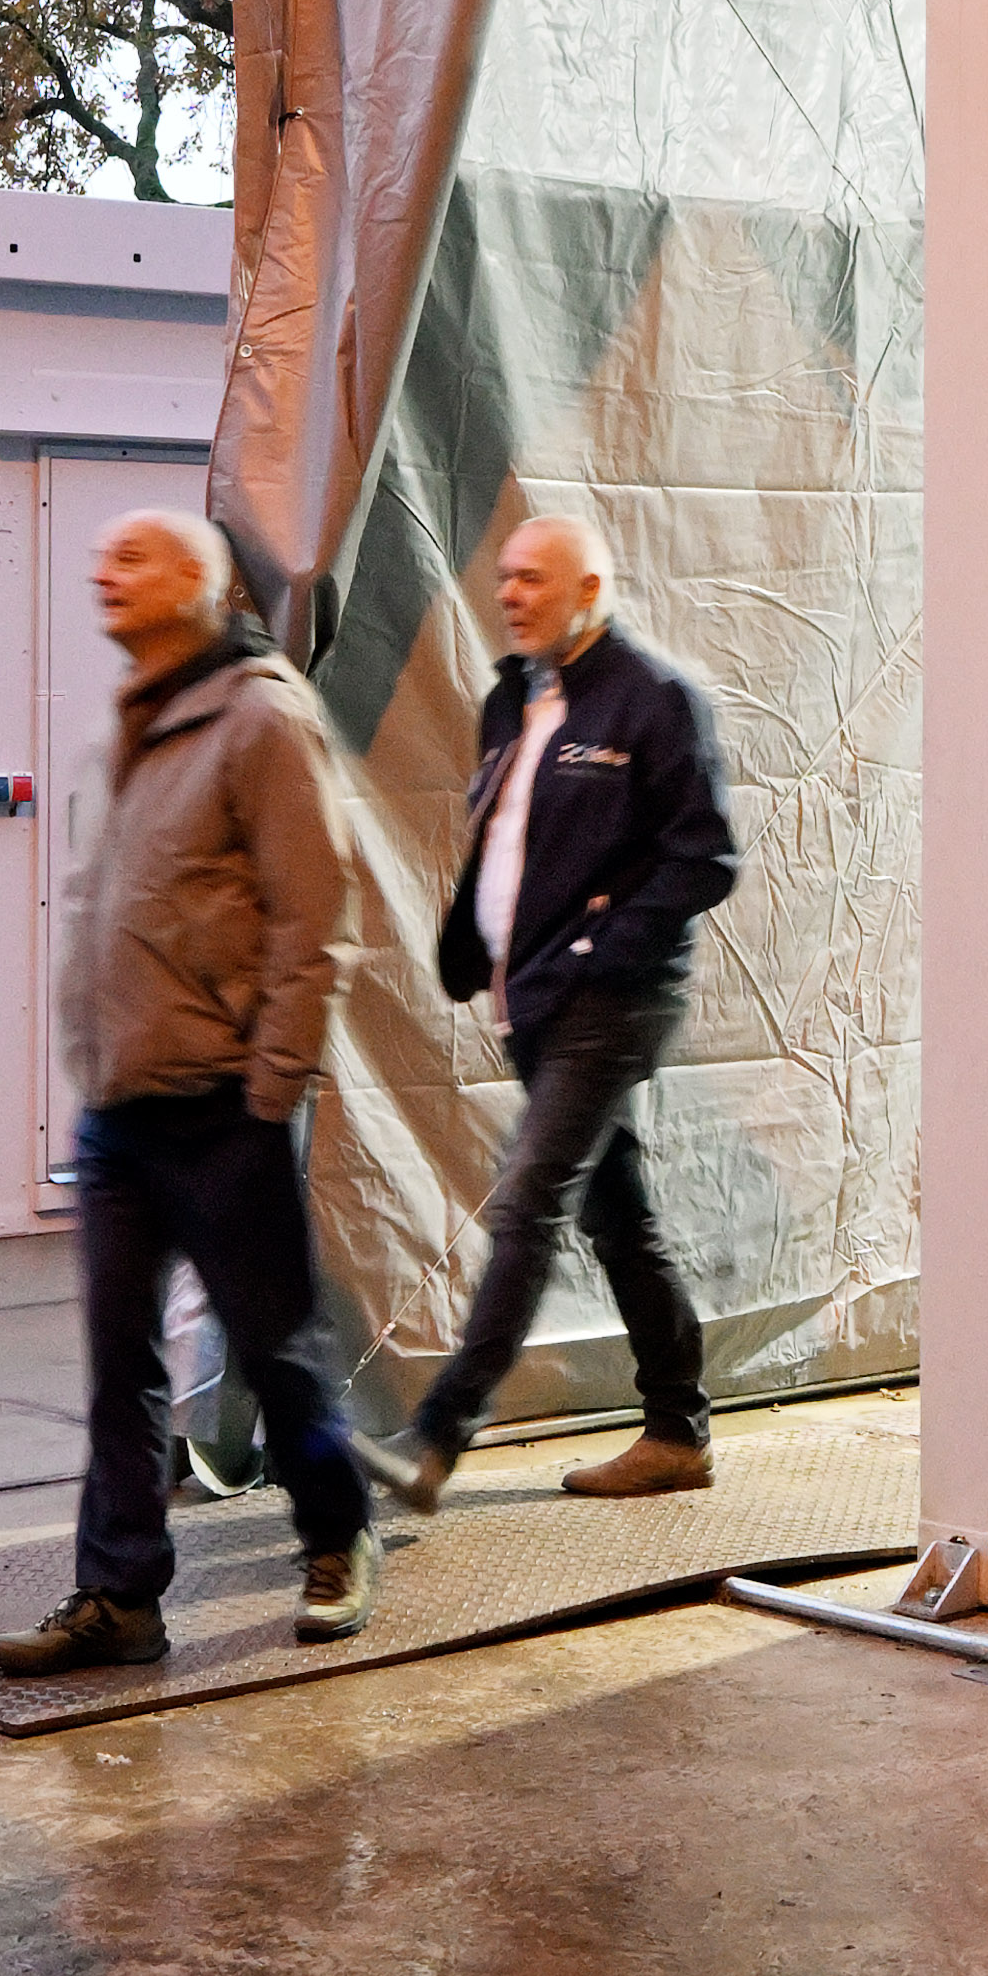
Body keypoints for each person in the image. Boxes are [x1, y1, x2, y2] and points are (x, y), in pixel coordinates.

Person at [0, 507, 375, 1673]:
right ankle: (119, 1596)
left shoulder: (261, 716)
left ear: (201, 588)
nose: (106, 569)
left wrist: (270, 1090)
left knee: (275, 1348)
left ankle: (338, 1534)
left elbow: (319, 920)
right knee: (120, 1363)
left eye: (136, 555)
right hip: (124, 1108)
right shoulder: (134, 717)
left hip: (222, 1103)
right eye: (104, 554)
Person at [375, 510, 741, 1511]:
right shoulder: (514, 700)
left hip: (611, 1000)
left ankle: (437, 1432)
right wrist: (475, 944)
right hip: (528, 997)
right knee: (620, 1217)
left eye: (535, 578)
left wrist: (601, 947)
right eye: (506, 578)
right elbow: (507, 839)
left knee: (527, 1194)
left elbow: (706, 855)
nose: (511, 594)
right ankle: (678, 1429)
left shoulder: (654, 699)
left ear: (590, 589)